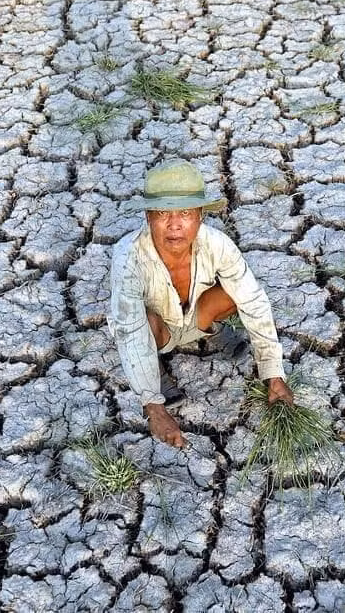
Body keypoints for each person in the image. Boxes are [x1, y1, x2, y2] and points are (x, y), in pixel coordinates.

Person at [108, 158, 294, 448]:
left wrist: (273, 373)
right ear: (148, 217)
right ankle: (156, 365)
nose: (174, 225)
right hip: (158, 332)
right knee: (144, 319)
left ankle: (210, 328)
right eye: (162, 213)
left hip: (196, 315)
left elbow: (254, 302)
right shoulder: (128, 257)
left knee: (237, 290)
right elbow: (129, 330)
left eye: (185, 213)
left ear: (200, 216)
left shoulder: (218, 245)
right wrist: (153, 406)